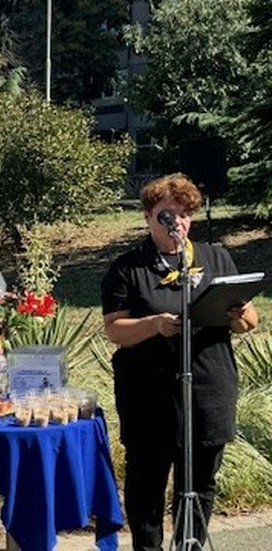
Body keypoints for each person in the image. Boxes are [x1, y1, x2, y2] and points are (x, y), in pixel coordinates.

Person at [101, 173, 259, 550]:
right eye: (167, 215)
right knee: (147, 485)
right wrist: (154, 324)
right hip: (149, 393)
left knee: (200, 481)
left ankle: (189, 545)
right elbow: (114, 330)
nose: (178, 223)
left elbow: (250, 321)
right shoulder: (128, 267)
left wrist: (236, 316)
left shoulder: (215, 258)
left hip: (207, 386)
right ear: (147, 217)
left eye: (185, 214)